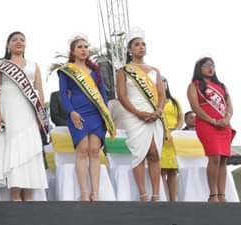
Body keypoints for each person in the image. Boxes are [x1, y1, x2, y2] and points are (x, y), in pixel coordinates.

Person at [56, 34, 116, 201]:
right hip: (77, 112)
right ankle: (84, 192)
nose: (84, 50)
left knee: (95, 152)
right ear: (73, 51)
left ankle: (95, 193)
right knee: (82, 150)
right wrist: (71, 112)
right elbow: (63, 94)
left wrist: (106, 114)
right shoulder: (66, 70)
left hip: (96, 114)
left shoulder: (96, 70)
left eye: (86, 47)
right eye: (80, 47)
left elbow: (103, 94)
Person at [0, 31, 48, 201]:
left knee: (30, 149)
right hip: (9, 111)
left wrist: (41, 115)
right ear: (7, 45)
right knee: (13, 148)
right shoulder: (0, 65)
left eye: (22, 40)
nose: (19, 42)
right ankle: (15, 194)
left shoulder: (34, 65)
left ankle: (28, 193)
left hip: (29, 112)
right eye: (14, 39)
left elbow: (39, 91)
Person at [115, 28, 166, 202]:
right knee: (140, 154)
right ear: (130, 50)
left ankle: (156, 195)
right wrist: (138, 113)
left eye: (143, 44)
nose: (141, 47)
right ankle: (143, 194)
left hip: (154, 115)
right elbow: (122, 96)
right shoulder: (124, 70)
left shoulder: (155, 71)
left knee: (154, 153)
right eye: (137, 44)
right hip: (134, 115)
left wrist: (158, 111)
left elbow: (162, 95)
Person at [186, 56, 234, 203]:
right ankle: (213, 195)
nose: (210, 67)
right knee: (214, 157)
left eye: (212, 65)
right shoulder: (194, 86)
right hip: (207, 125)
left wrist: (226, 119)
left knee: (223, 159)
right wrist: (212, 121)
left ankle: (222, 195)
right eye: (207, 65)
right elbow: (195, 107)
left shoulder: (222, 86)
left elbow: (229, 106)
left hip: (224, 126)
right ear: (199, 68)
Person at [159, 78, 183, 202]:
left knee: (173, 170)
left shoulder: (175, 101)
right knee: (161, 169)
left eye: (165, 81)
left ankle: (173, 200)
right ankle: (163, 198)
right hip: (160, 136)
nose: (163, 83)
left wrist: (177, 130)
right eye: (160, 81)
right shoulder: (155, 101)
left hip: (173, 137)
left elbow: (181, 117)